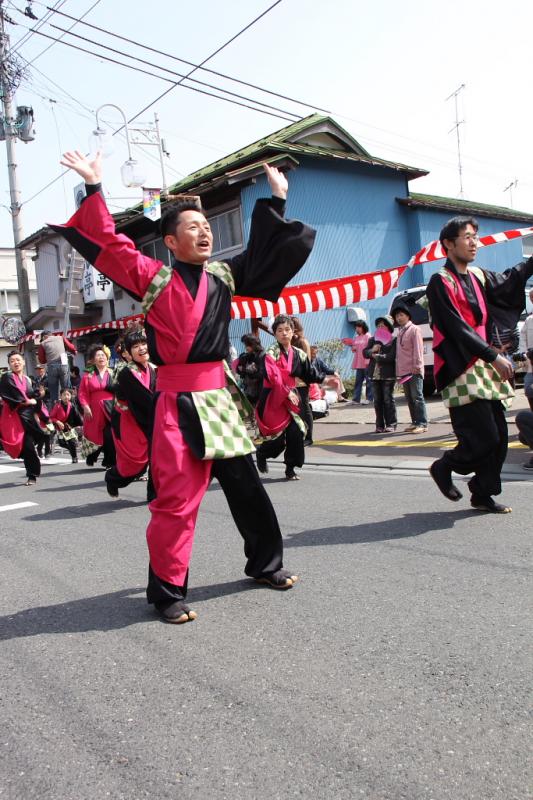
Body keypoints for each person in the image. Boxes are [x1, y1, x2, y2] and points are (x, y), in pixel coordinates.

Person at [54, 150, 315, 625]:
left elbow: (262, 255)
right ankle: (167, 592)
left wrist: (275, 200)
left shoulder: (223, 276)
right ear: (171, 242)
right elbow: (110, 245)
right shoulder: (153, 279)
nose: (205, 232)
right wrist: (94, 187)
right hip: (176, 402)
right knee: (175, 502)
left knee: (248, 489)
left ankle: (265, 564)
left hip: (219, 400)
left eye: (207, 226)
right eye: (193, 227)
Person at [426, 216, 532, 513]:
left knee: (499, 437)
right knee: (482, 436)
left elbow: (511, 280)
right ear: (448, 244)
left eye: (475, 236)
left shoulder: (478, 275)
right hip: (459, 365)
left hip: (482, 362)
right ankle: (445, 465)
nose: (474, 243)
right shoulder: (440, 281)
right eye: (467, 237)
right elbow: (455, 327)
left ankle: (483, 493)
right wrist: (494, 356)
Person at [255, 315, 324, 480]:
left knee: (296, 432)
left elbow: (309, 373)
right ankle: (262, 453)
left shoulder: (299, 354)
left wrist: (325, 378)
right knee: (276, 439)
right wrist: (287, 391)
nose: (284, 333)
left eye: (287, 329)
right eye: (280, 330)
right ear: (274, 334)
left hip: (291, 398)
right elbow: (273, 376)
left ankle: (290, 468)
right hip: (273, 399)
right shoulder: (270, 353)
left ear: (293, 332)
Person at [105, 329, 156, 498]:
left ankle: (154, 495)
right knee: (136, 465)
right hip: (130, 421)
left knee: (156, 457)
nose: (141, 348)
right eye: (135, 346)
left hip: (148, 417)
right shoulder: (127, 373)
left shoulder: (152, 368)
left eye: (144, 344)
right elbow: (144, 400)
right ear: (128, 352)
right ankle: (113, 478)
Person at [0, 350, 47, 485]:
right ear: (9, 364)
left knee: (29, 445)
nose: (16, 363)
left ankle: (32, 474)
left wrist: (37, 398)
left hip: (28, 416)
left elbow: (35, 395)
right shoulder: (7, 377)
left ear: (23, 362)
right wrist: (29, 401)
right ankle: (32, 474)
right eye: (12, 361)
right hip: (13, 416)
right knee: (26, 446)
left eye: (18, 360)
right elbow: (15, 397)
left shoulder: (27, 379)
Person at [77, 343, 116, 468]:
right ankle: (92, 456)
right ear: (93, 360)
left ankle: (109, 461)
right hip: (94, 409)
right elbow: (82, 393)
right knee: (94, 435)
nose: (101, 357)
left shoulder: (113, 373)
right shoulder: (88, 375)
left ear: (107, 358)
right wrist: (85, 406)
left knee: (110, 435)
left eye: (103, 355)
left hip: (110, 407)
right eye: (98, 355)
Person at [392, 302, 428, 433]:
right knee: (409, 398)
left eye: (401, 315)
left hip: (414, 370)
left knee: (417, 397)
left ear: (408, 316)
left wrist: (417, 366)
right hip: (403, 370)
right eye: (397, 316)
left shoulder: (414, 329)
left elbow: (418, 349)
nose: (399, 318)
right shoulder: (400, 331)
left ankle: (422, 424)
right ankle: (415, 422)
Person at [364, 316, 397, 433]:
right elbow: (365, 353)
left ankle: (391, 424)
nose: (380, 328)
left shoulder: (393, 340)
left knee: (388, 400)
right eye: (378, 326)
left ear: (389, 327)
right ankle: (379, 425)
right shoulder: (372, 340)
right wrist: (372, 350)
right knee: (377, 401)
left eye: (382, 326)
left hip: (388, 374)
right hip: (374, 375)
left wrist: (378, 357)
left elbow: (392, 357)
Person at [290, 317, 314, 445]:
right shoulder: (290, 341)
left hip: (301, 380)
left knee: (304, 408)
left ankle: (309, 437)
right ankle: (300, 434)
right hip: (291, 380)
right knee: (296, 409)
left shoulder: (303, 342)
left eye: (289, 327)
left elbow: (306, 361)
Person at [37, 331, 77, 404]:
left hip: (52, 366)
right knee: (66, 388)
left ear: (44, 337)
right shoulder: (61, 338)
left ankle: (56, 406)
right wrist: (74, 351)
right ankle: (70, 405)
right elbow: (71, 347)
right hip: (63, 364)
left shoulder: (43, 343)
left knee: (54, 390)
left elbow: (42, 360)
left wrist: (47, 357)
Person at [343, 320, 373, 404]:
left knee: (369, 382)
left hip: (367, 362)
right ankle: (356, 399)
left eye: (359, 327)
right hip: (359, 362)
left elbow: (370, 349)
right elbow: (354, 349)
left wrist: (368, 359)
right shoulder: (356, 337)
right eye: (356, 327)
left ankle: (369, 399)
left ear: (363, 327)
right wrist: (351, 344)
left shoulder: (368, 336)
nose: (357, 329)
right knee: (358, 381)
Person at [50, 387, 83, 463]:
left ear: (71, 396)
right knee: (61, 443)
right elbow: (51, 417)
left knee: (71, 441)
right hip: (59, 428)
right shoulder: (57, 406)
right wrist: (58, 422)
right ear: (61, 396)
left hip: (68, 428)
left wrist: (79, 424)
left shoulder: (72, 406)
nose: (66, 397)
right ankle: (72, 449)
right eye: (64, 395)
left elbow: (77, 416)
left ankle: (74, 457)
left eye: (68, 395)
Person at [235, 334, 263, 406]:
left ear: (253, 344)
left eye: (247, 345)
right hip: (248, 390)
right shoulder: (246, 355)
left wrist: (245, 370)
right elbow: (239, 370)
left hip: (259, 391)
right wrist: (241, 368)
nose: (245, 347)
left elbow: (261, 374)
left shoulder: (262, 355)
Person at [518, 289, 533, 411]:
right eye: (532, 297)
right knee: (528, 388)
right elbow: (522, 337)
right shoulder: (529, 320)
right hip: (531, 362)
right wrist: (523, 353)